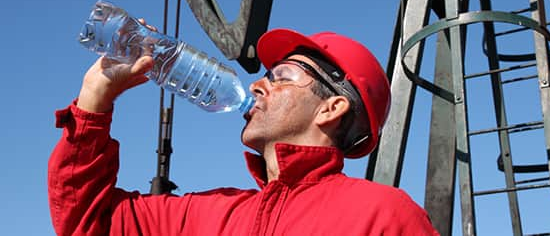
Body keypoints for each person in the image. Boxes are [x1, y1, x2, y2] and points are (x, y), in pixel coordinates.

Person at [48, 27, 439, 235]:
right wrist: (95, 97)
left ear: (330, 108)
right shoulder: (206, 216)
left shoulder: (383, 215)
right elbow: (89, 222)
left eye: (281, 77)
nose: (257, 85)